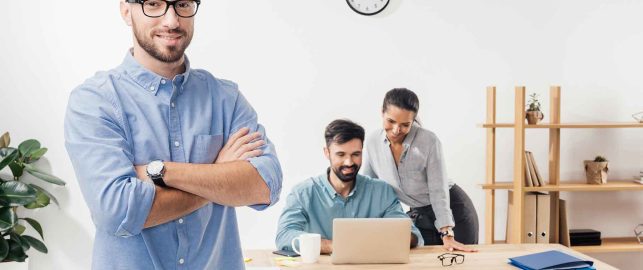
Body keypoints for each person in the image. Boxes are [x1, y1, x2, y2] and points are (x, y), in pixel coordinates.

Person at [64, 1, 282, 269]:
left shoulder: (227, 99)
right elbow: (117, 211)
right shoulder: (94, 101)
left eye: (182, 4)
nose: (172, 20)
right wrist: (219, 177)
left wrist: (160, 171)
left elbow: (265, 184)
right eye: (153, 4)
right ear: (125, 10)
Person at [276, 119, 423, 254]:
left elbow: (412, 235)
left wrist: (377, 243)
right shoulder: (303, 193)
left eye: (356, 154)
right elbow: (284, 236)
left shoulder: (381, 191)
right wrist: (333, 246)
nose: (349, 162)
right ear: (327, 153)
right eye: (340, 154)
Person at [362, 88, 479, 252]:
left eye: (405, 125)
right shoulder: (373, 142)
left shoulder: (428, 141)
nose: (396, 130)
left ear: (413, 120)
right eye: (391, 121)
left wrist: (447, 232)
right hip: (419, 214)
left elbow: (438, 189)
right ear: (382, 113)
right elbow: (368, 185)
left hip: (452, 209)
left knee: (460, 262)